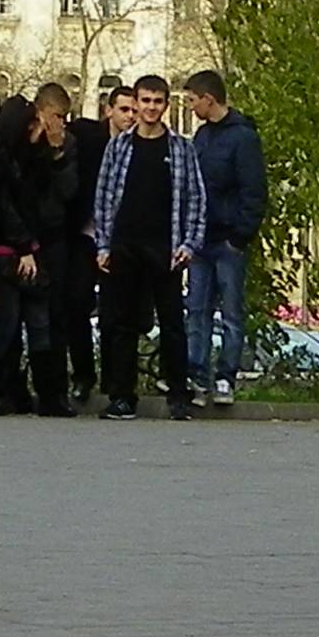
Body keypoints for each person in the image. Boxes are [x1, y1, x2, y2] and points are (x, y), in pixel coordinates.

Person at [94, 74, 206, 421]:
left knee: (172, 323)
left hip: (166, 247)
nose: (151, 108)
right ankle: (122, 397)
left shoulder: (181, 148)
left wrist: (189, 243)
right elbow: (103, 196)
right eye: (145, 101)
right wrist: (103, 244)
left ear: (166, 105)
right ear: (137, 103)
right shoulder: (119, 146)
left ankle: (178, 395)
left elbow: (196, 198)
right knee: (122, 323)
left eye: (158, 101)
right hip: (125, 244)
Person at [0, 85, 79, 417]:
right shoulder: (6, 156)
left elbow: (67, 192)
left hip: (44, 241)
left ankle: (50, 393)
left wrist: (56, 153)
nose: (56, 124)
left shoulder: (50, 150)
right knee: (9, 322)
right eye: (54, 116)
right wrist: (24, 246)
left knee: (43, 322)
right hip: (13, 247)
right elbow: (7, 205)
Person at [184, 69, 267, 407]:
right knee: (197, 310)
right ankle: (197, 375)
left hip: (228, 241)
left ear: (209, 99)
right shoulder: (202, 136)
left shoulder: (243, 137)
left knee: (231, 313)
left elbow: (254, 191)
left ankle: (225, 377)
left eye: (192, 100)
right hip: (201, 239)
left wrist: (240, 236)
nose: (190, 107)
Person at [65, 85, 137, 404]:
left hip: (121, 241)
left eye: (134, 110)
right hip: (86, 235)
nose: (130, 116)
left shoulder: (139, 145)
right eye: (124, 109)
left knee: (114, 313)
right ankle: (82, 375)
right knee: (76, 304)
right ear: (109, 110)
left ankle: (113, 380)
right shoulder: (88, 138)